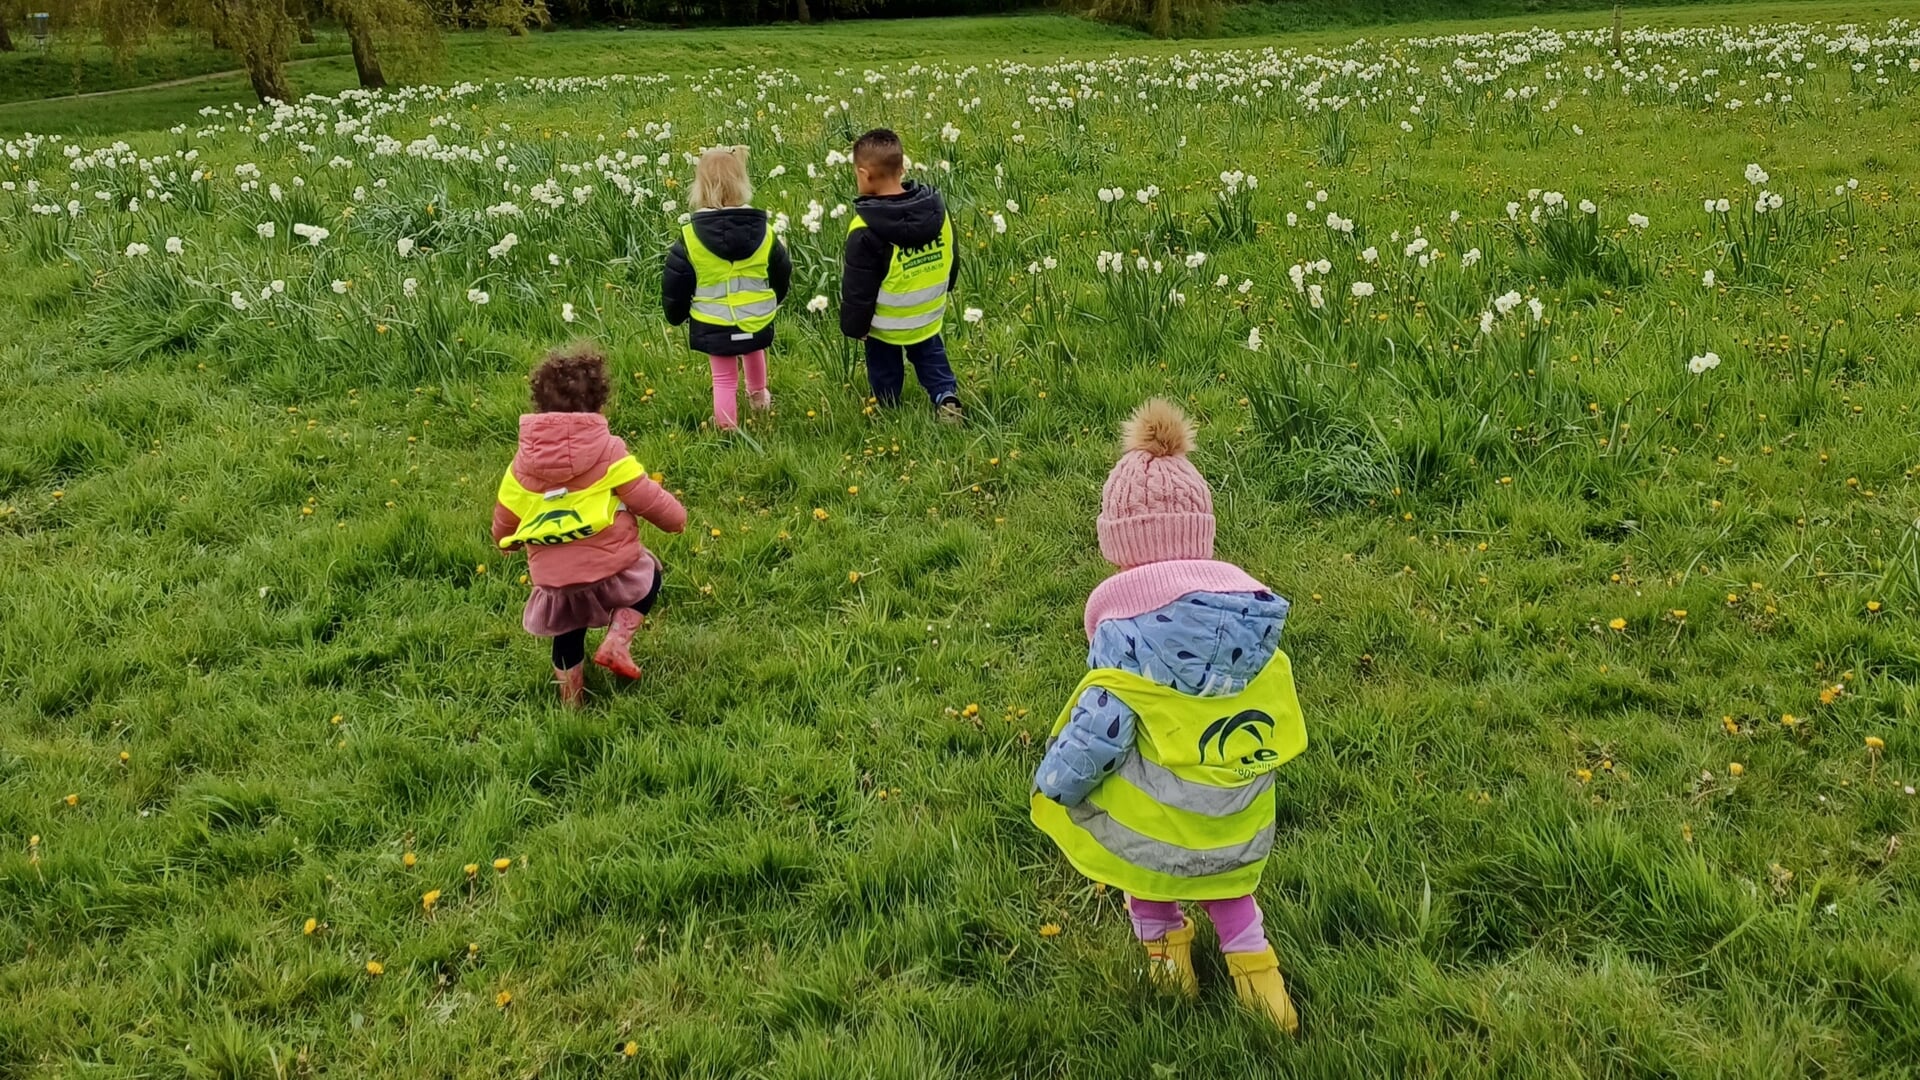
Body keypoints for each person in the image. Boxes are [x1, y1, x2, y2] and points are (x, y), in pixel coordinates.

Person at [1030, 399, 1307, 1034]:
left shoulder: (1126, 628)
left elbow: (1103, 723)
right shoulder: (1248, 619)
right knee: (1235, 900)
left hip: (1157, 817)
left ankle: (1169, 974)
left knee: (1145, 877)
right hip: (1236, 810)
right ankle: (1266, 996)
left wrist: (1057, 781)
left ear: (1120, 541)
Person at [492, 344, 687, 706]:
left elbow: (505, 518)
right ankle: (617, 642)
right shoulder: (610, 451)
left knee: (567, 633)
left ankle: (572, 703)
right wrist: (676, 520)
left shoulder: (522, 464)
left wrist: (507, 542)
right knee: (649, 575)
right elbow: (646, 496)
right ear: (598, 402)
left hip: (555, 579)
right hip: (613, 566)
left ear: (540, 404)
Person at [663, 145, 791, 431]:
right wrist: (774, 300)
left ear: (700, 188)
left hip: (713, 320)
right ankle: (759, 398)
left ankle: (728, 429)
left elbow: (676, 281)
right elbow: (782, 271)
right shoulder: (766, 232)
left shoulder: (690, 237)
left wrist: (677, 314)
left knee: (723, 379)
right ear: (742, 183)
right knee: (754, 350)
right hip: (756, 316)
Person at [840, 127, 963, 422]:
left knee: (883, 360)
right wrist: (945, 290)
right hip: (928, 311)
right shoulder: (937, 212)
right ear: (903, 166)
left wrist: (856, 327)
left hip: (887, 321)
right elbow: (952, 257)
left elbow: (859, 288)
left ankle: (888, 404)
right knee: (929, 352)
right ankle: (945, 395)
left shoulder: (864, 229)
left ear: (864, 174)